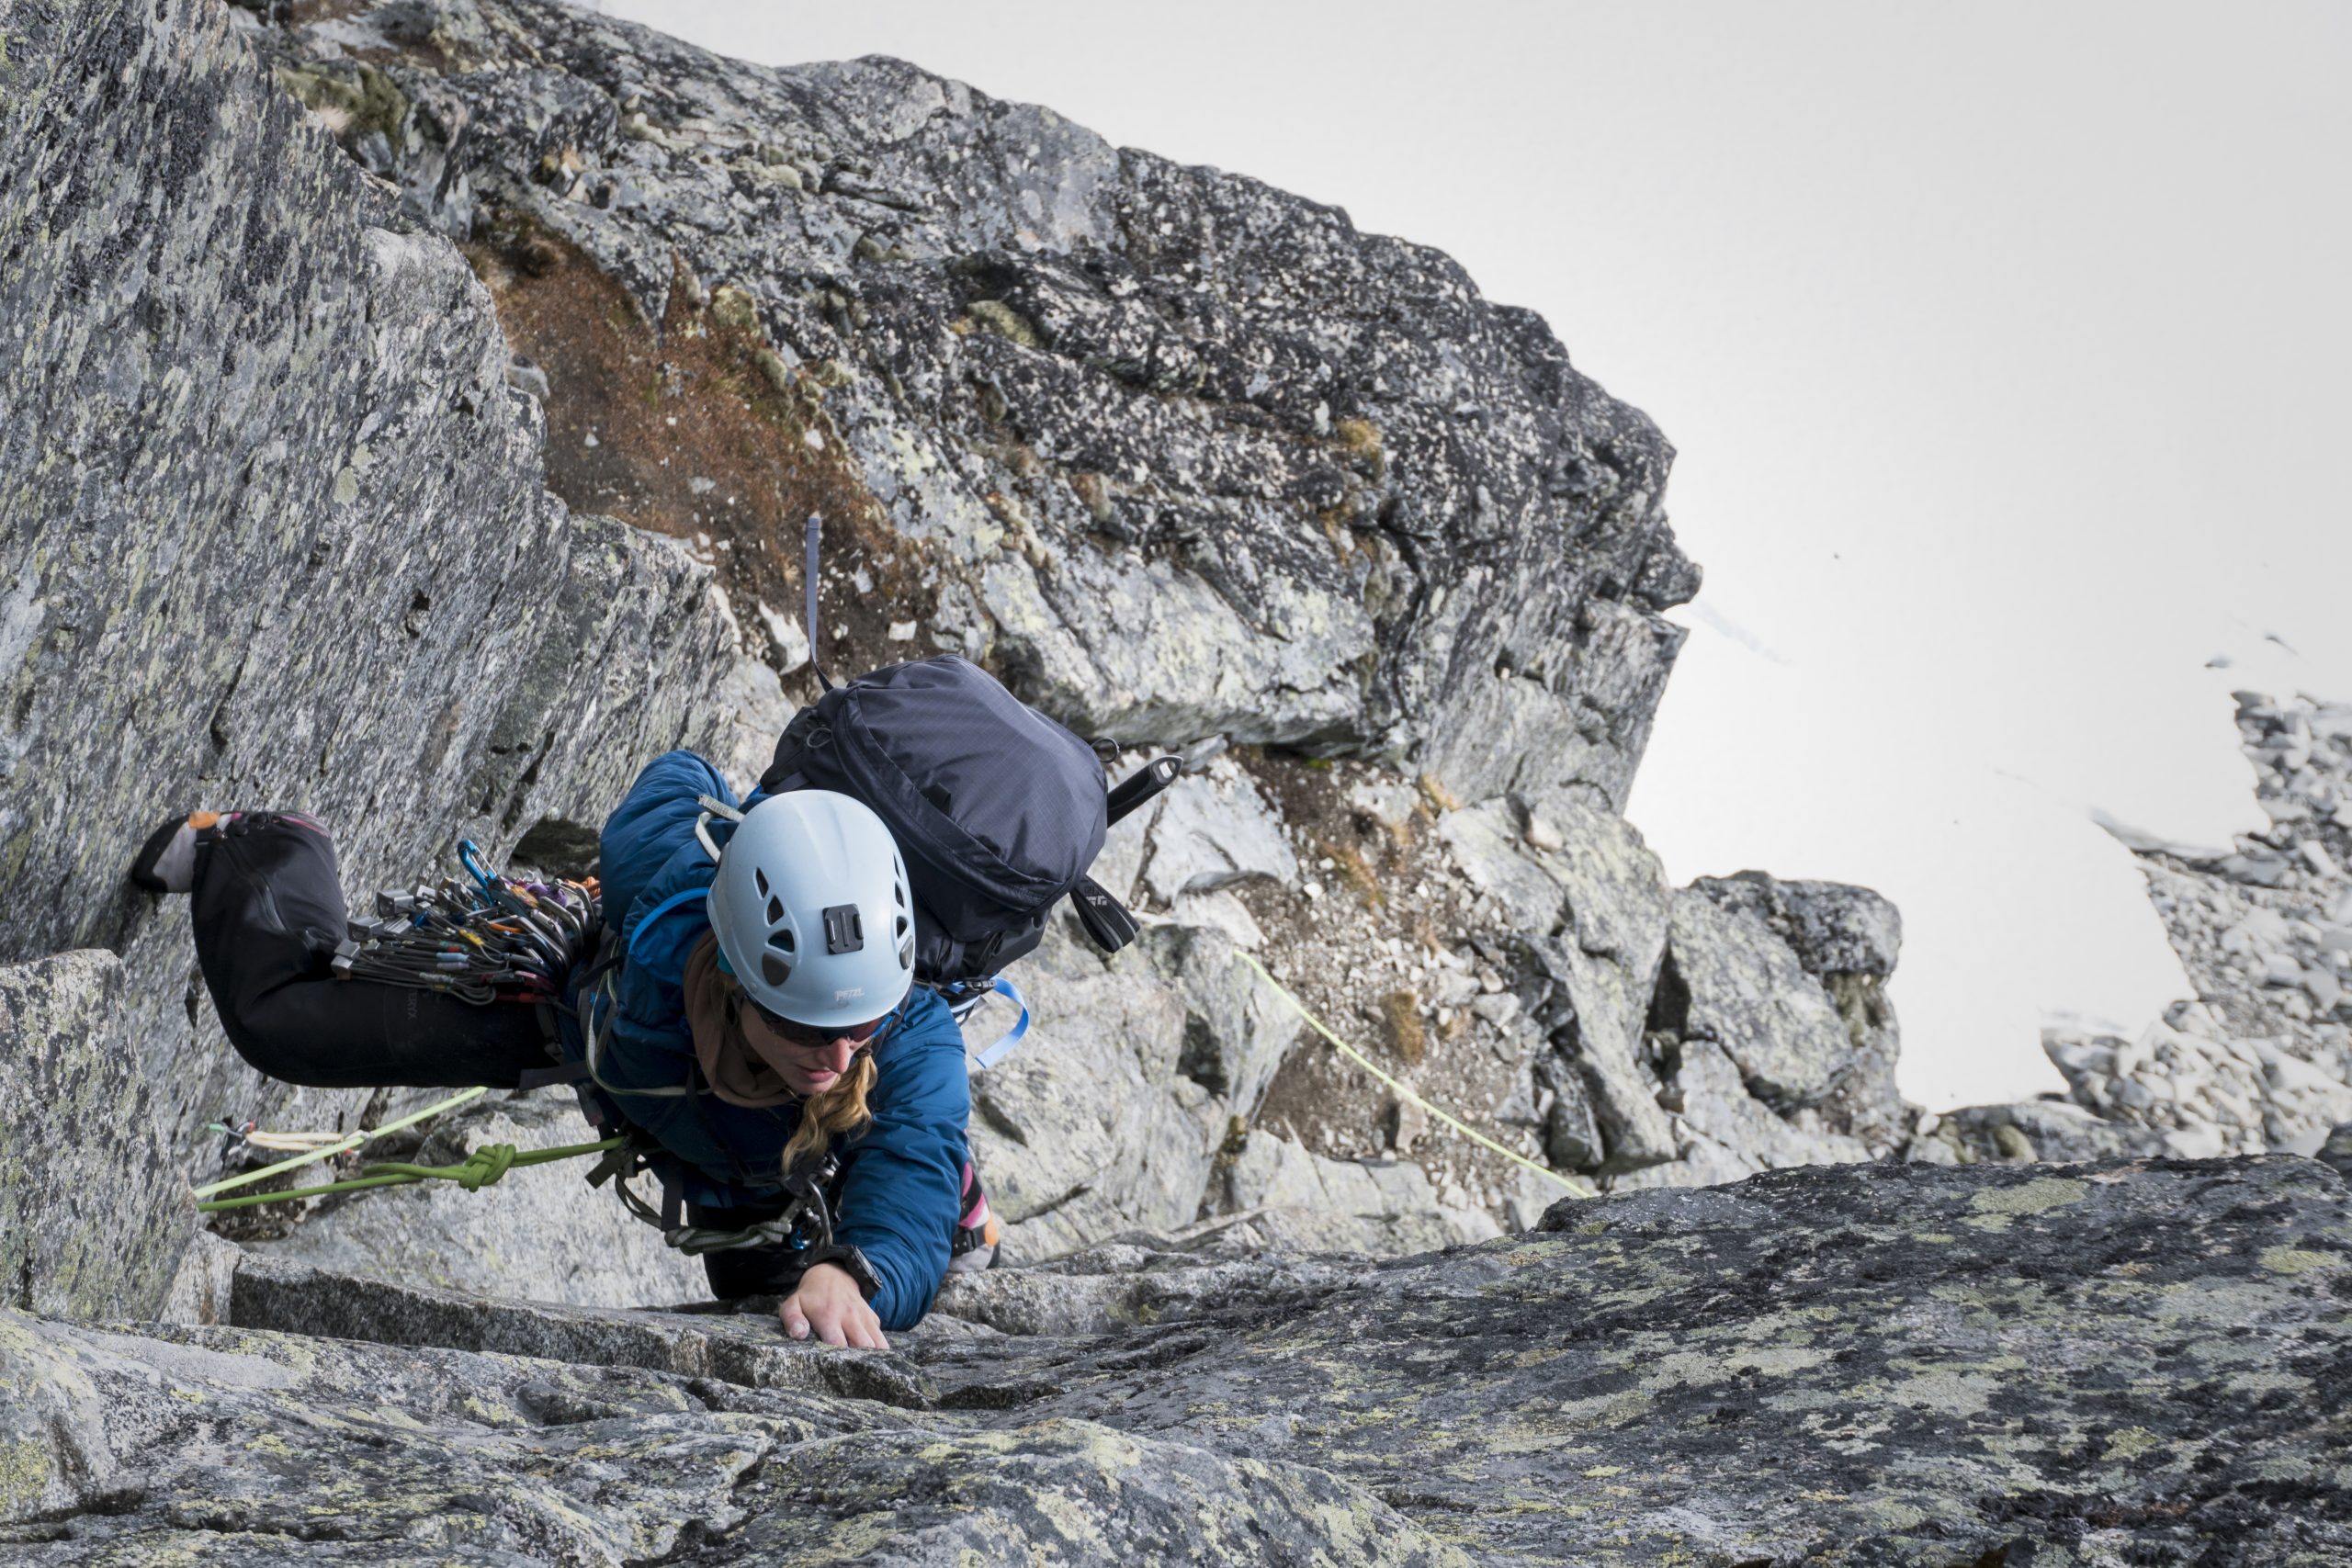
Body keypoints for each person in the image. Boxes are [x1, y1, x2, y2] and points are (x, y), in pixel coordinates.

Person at [130, 749, 993, 1349]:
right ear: (732, 971)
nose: (838, 1059)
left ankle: (958, 1220)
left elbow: (910, 1168)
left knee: (778, 1303)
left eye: (858, 1028)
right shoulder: (661, 901)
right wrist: (752, 817)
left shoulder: (911, 1042)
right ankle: (263, 844)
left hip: (765, 1188)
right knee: (284, 1023)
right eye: (804, 1028)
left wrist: (859, 1271)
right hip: (578, 1021)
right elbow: (678, 776)